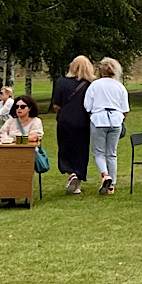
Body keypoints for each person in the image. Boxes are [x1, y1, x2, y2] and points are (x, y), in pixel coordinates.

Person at [83, 57, 130, 195]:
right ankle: (111, 185)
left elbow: (87, 106)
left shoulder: (95, 85)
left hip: (99, 120)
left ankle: (105, 175)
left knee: (98, 152)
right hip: (116, 120)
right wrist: (121, 120)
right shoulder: (119, 86)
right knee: (112, 153)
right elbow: (125, 109)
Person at [53, 56, 95, 194]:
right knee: (81, 150)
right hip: (83, 121)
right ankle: (78, 184)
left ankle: (71, 173)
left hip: (65, 120)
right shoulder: (90, 85)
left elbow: (56, 104)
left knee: (65, 148)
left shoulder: (61, 82)